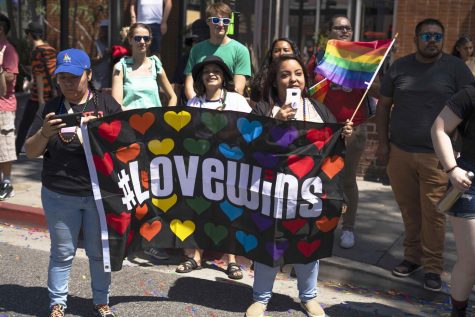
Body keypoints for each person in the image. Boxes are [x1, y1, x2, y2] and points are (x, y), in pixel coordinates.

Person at [246, 54, 353, 317]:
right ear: (275, 81)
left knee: (309, 241)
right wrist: (274, 122)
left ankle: (309, 297)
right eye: (285, 74)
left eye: (298, 73)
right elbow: (248, 144)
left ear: (305, 80)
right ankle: (260, 298)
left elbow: (333, 155)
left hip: (309, 193)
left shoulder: (319, 110)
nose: (292, 79)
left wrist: (343, 135)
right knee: (269, 241)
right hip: (272, 192)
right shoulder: (262, 110)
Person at [376, 18, 474, 292]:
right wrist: (383, 144)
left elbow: (470, 107)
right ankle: (412, 257)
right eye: (427, 36)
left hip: (437, 158)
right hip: (400, 152)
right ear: (417, 38)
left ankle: (433, 267)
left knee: (433, 213)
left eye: (438, 36)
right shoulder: (400, 67)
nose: (433, 40)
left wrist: (458, 149)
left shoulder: (456, 69)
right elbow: (383, 107)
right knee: (409, 210)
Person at [24, 48, 121, 317]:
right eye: (62, 77)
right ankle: (57, 303)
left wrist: (99, 133)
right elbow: (31, 152)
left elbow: (125, 145)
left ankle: (101, 302)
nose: (67, 83)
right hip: (59, 193)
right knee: (62, 252)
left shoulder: (106, 105)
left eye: (74, 77)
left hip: (98, 195)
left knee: (98, 254)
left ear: (88, 75)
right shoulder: (50, 108)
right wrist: (44, 132)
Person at [175, 55, 251, 280]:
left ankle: (232, 261)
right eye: (206, 70)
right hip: (200, 167)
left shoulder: (236, 100)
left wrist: (227, 122)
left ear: (224, 76)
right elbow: (186, 133)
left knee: (230, 212)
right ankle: (194, 257)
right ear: (200, 77)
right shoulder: (194, 103)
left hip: (230, 166)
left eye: (216, 70)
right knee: (199, 211)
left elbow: (251, 128)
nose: (211, 74)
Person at [313, 15, 378, 249]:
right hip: (324, 128)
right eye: (339, 27)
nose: (344, 31)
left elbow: (379, 90)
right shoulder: (319, 57)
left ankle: (348, 228)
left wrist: (366, 79)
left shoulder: (363, 58)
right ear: (329, 31)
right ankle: (321, 224)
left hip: (355, 127)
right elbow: (310, 89)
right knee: (322, 179)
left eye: (348, 28)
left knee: (348, 180)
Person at [431, 83, 475, 317]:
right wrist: (452, 169)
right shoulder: (470, 93)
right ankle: (458, 312)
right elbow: (439, 128)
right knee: (472, 261)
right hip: (470, 181)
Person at [184, 2, 251, 99]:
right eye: (216, 20)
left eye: (225, 21)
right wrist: (198, 106)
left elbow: (238, 89)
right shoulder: (196, 50)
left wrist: (221, 107)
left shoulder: (241, 50)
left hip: (228, 109)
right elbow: (189, 86)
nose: (221, 24)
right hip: (199, 107)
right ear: (207, 22)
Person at [111, 23, 177, 110]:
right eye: (138, 38)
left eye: (146, 38)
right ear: (130, 40)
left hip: (155, 122)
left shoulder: (155, 65)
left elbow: (173, 97)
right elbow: (116, 105)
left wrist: (167, 116)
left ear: (150, 41)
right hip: (130, 121)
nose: (142, 42)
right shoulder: (120, 67)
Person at [16, 21, 56, 156]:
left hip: (38, 96)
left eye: (27, 35)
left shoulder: (36, 52)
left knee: (25, 125)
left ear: (30, 35)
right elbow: (49, 72)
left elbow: (39, 77)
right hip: (51, 93)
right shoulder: (51, 49)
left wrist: (40, 100)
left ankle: (16, 150)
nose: (27, 38)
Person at [0, 13, 19, 201]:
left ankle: (7, 183)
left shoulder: (9, 51)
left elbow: (6, 83)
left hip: (3, 107)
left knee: (4, 147)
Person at [249, 37, 299, 104]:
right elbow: (253, 105)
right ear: (271, 55)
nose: (281, 53)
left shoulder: (299, 78)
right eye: (277, 51)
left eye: (286, 50)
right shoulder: (262, 79)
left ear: (293, 53)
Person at [91, 20, 111, 90]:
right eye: (103, 30)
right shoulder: (96, 44)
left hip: (108, 81)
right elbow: (92, 61)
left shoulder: (110, 43)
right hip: (98, 81)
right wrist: (103, 56)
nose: (104, 32)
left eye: (106, 30)